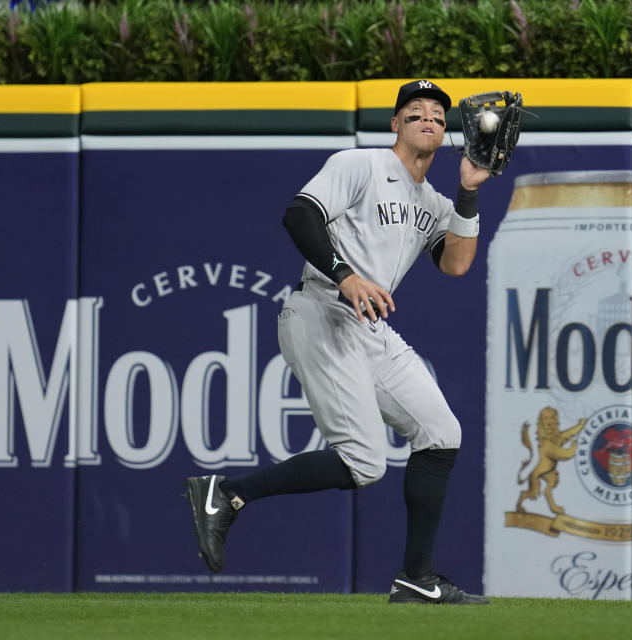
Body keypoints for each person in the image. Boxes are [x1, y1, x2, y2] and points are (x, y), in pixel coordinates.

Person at [184, 80, 490, 605]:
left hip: (368, 328)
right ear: (395, 124)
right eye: (414, 111)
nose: (427, 118)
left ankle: (417, 577)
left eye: (438, 115)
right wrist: (345, 275)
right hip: (322, 309)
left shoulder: (435, 202)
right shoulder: (361, 165)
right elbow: (299, 214)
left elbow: (456, 263)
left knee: (440, 433)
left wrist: (469, 190)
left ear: (446, 134)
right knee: (365, 463)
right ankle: (229, 493)